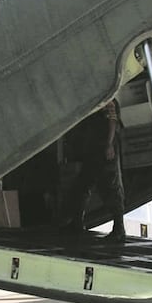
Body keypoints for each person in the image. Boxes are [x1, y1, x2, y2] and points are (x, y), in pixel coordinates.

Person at [62, 99, 127, 242]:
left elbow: (112, 121)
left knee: (110, 187)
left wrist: (109, 144)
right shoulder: (99, 98)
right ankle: (77, 222)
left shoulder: (108, 99)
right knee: (83, 185)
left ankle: (119, 229)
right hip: (94, 148)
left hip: (104, 148)